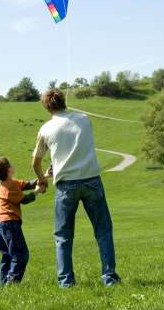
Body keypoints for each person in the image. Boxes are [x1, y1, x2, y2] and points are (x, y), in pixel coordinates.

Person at [32, 89, 121, 288]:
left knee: (63, 237)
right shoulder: (85, 119)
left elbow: (35, 162)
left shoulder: (46, 129)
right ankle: (109, 278)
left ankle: (66, 282)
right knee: (103, 231)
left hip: (65, 186)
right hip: (91, 180)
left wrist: (42, 179)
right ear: (64, 101)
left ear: (46, 107)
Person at [0, 156, 46, 286]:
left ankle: (3, 284)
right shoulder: (9, 187)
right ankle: (12, 284)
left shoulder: (9, 183)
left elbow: (27, 184)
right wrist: (37, 191)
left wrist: (45, 176)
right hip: (10, 223)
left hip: (1, 224)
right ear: (9, 170)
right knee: (21, 255)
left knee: (8, 255)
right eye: (11, 164)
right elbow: (24, 200)